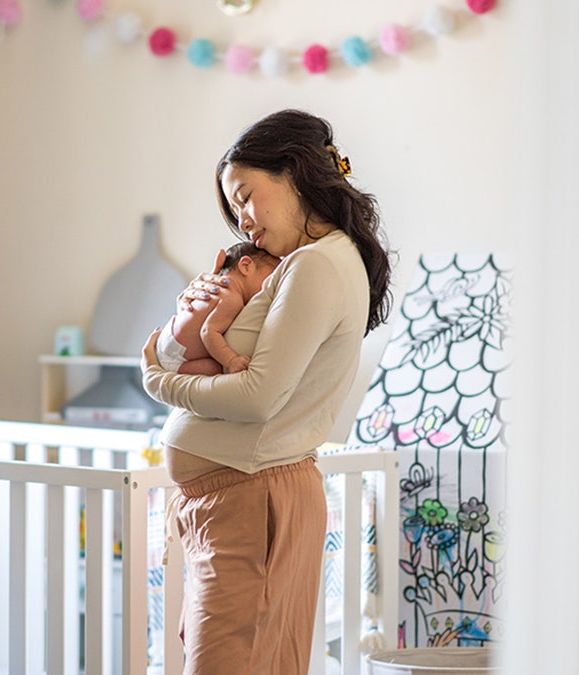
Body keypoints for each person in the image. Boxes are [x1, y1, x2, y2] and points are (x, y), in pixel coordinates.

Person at [140, 109, 393, 674]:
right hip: (241, 501)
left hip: (251, 502)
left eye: (247, 196)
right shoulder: (303, 264)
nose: (243, 221)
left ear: (293, 172)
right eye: (235, 209)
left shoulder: (317, 266)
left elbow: (257, 396)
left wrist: (159, 381)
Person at [156, 241, 279, 376]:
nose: (275, 287)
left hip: (167, 339)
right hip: (174, 358)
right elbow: (208, 332)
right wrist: (231, 360)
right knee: (218, 369)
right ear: (246, 266)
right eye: (272, 278)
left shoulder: (216, 287)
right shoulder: (232, 298)